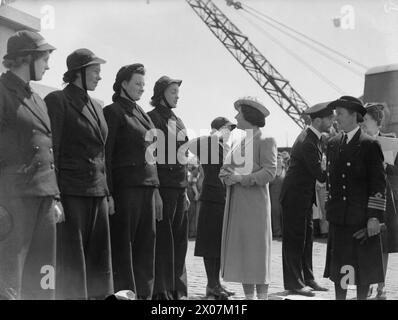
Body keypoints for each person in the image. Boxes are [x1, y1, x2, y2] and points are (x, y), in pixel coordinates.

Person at [44, 48, 113, 300]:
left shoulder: (95, 105)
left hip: (98, 192)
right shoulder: (57, 100)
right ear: (79, 73)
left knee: (99, 261)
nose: (99, 77)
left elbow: (103, 153)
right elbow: (54, 150)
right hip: (72, 191)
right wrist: (55, 196)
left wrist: (108, 193)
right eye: (95, 71)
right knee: (73, 261)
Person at [0, 30, 60, 300]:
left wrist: (55, 196)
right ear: (27, 58)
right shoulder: (2, 92)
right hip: (13, 201)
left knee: (43, 275)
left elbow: (49, 149)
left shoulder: (37, 99)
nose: (48, 65)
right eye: (44, 58)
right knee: (10, 278)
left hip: (44, 198)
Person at [104, 64, 162, 300]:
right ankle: (125, 296)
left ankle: (145, 296)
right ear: (123, 84)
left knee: (146, 248)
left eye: (143, 84)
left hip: (147, 188)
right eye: (137, 83)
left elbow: (153, 155)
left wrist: (156, 190)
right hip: (125, 189)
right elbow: (106, 156)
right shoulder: (113, 112)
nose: (141, 88)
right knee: (124, 250)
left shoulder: (144, 115)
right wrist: (108, 193)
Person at [324, 96, 386, 300]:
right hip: (339, 220)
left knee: (363, 272)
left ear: (354, 116)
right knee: (340, 270)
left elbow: (378, 185)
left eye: (340, 114)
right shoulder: (333, 144)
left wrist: (374, 217)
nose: (336, 118)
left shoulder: (369, 145)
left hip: (361, 221)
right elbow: (331, 182)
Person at [219, 97, 277, 300]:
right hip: (238, 207)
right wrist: (225, 175)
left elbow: (270, 173)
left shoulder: (265, 139)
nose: (236, 116)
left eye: (239, 113)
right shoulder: (240, 141)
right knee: (245, 255)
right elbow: (227, 168)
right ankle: (249, 299)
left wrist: (242, 178)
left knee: (257, 256)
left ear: (249, 116)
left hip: (255, 208)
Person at [280, 102, 333, 296]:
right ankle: (294, 282)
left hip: (304, 197)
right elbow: (320, 175)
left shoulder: (314, 138)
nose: (332, 120)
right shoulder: (307, 142)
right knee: (294, 240)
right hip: (294, 197)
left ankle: (308, 278)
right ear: (318, 120)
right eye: (329, 118)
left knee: (306, 239)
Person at [184, 117, 236, 299]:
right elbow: (190, 145)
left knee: (218, 244)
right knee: (210, 244)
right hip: (211, 198)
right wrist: (213, 135)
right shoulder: (208, 145)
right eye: (226, 128)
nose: (229, 132)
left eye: (230, 129)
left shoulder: (226, 148)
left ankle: (216, 284)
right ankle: (211, 284)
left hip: (223, 197)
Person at [148, 76, 189, 300]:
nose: (177, 95)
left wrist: (185, 191)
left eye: (177, 91)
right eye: (173, 91)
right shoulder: (151, 119)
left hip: (179, 189)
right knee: (164, 243)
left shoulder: (178, 119)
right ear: (161, 92)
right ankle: (162, 294)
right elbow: (150, 158)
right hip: (163, 188)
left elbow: (183, 154)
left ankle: (179, 293)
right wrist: (155, 191)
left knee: (180, 244)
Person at [361, 102, 398, 299]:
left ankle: (381, 286)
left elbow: (397, 170)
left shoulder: (390, 141)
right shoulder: (360, 141)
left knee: (384, 244)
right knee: (367, 243)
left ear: (377, 122)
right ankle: (366, 284)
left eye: (366, 119)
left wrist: (385, 165)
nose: (363, 123)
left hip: (384, 197)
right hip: (364, 196)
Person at [269, 153, 285, 238]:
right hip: (273, 196)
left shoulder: (285, 171)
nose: (278, 162)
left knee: (283, 213)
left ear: (282, 162)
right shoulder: (272, 172)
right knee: (275, 213)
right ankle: (277, 232)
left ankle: (284, 231)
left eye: (280, 161)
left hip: (284, 196)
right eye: (277, 161)